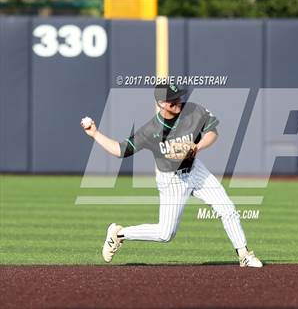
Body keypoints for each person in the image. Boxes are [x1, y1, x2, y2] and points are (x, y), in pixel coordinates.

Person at [80, 84, 263, 268]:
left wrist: (197, 147)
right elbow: (119, 150)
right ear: (161, 103)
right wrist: (95, 133)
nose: (178, 102)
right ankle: (118, 234)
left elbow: (212, 132)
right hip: (171, 180)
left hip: (195, 170)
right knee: (165, 234)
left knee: (227, 208)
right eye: (172, 100)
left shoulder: (193, 111)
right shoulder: (151, 130)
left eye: (178, 97)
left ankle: (244, 254)